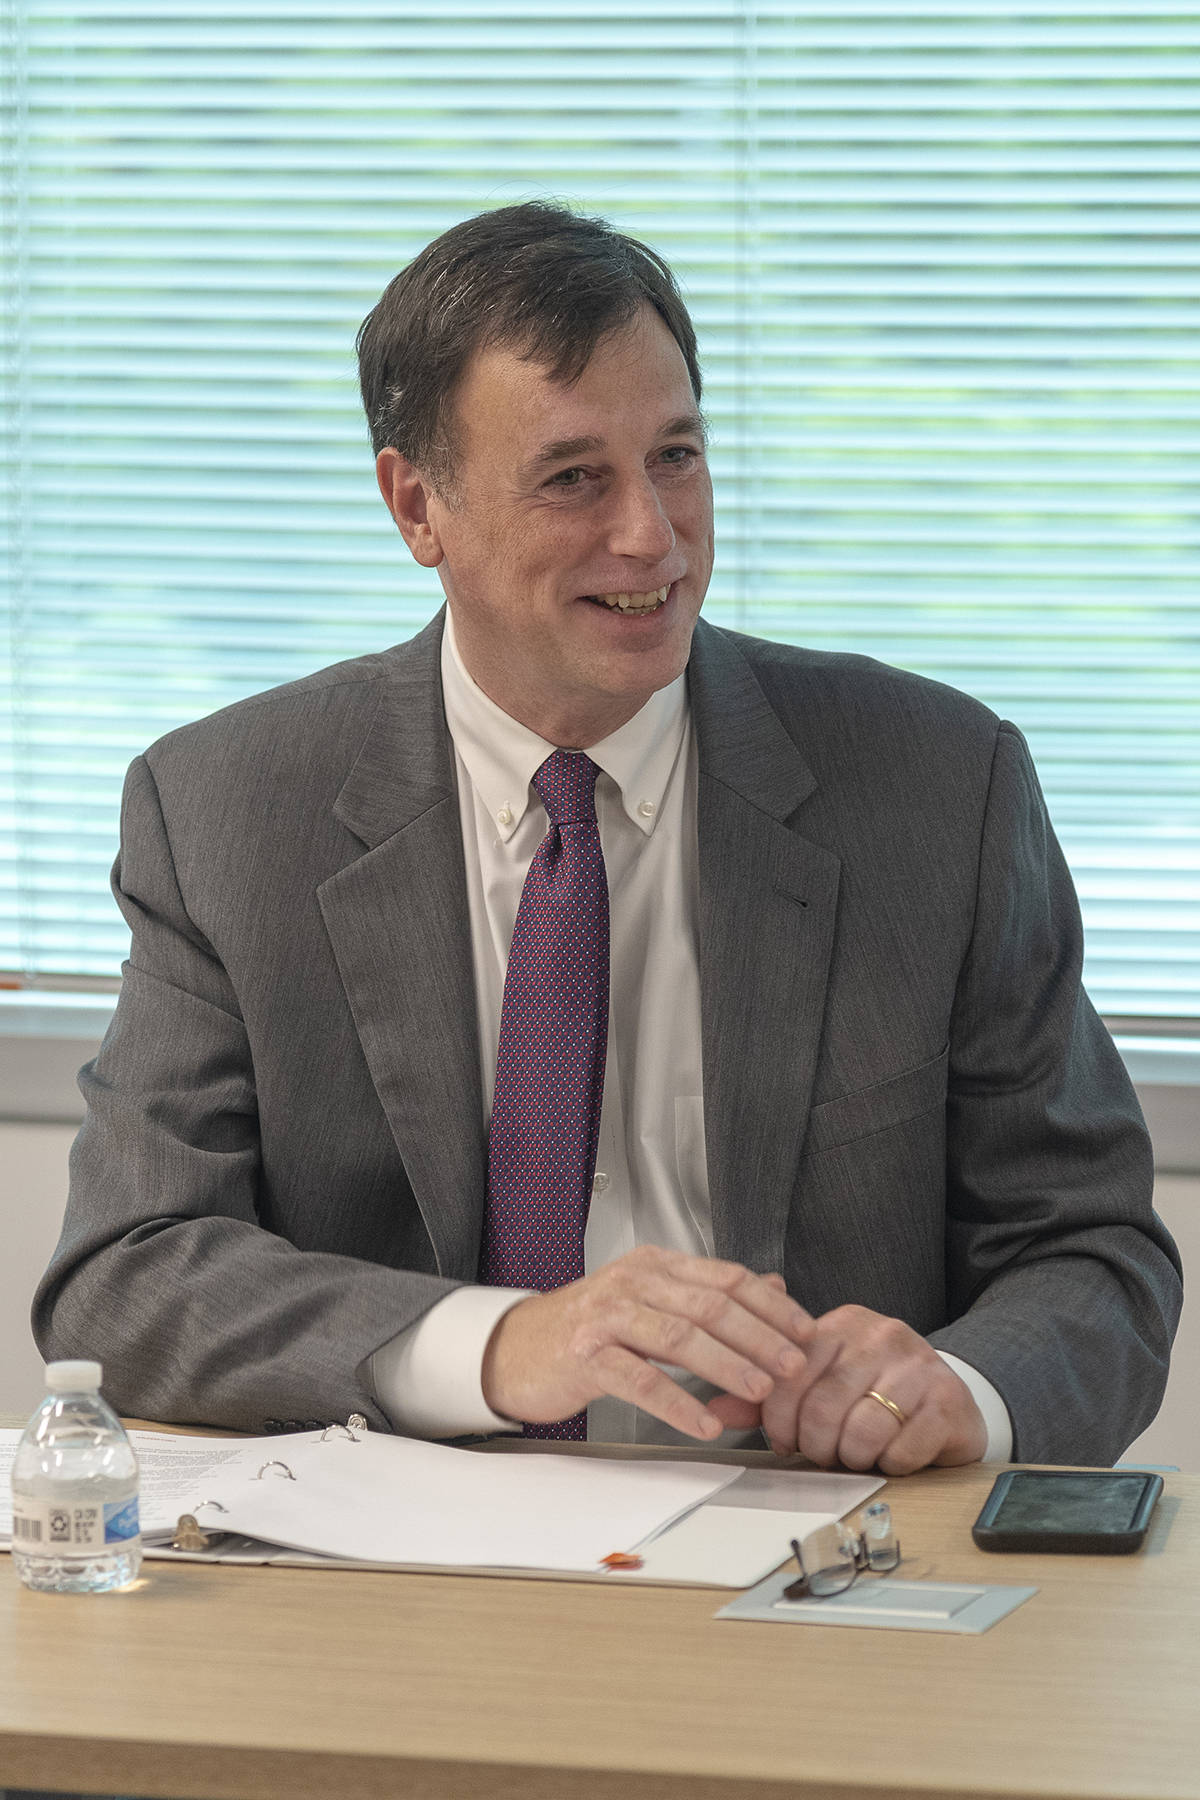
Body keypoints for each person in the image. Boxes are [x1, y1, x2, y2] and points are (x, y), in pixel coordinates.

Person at [34, 201, 1180, 1473]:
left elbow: (1091, 1252)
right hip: (403, 1569)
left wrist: (965, 1386)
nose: (652, 535)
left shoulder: (934, 783)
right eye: (575, 477)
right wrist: (499, 1345)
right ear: (419, 508)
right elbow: (127, 1273)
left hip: (816, 1556)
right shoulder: (228, 810)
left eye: (677, 457)